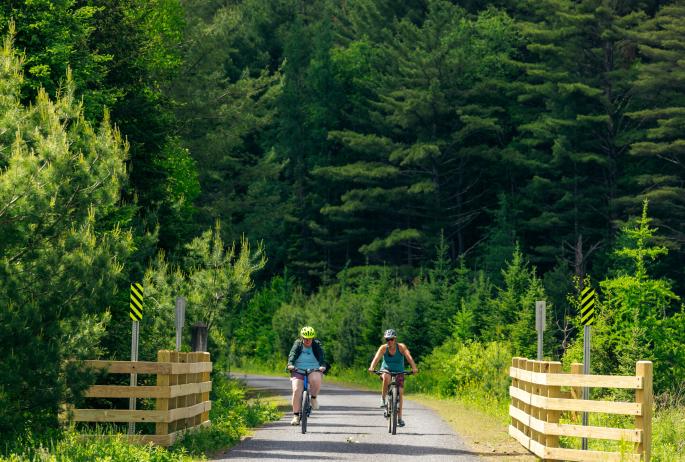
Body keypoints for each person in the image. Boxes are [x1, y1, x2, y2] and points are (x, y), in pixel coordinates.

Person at [367, 328, 418, 427]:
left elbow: (409, 357)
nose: (389, 341)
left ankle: (399, 418)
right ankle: (383, 399)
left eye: (391, 339)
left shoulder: (401, 347)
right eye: (387, 339)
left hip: (399, 371)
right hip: (386, 370)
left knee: (401, 392)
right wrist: (372, 367)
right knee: (387, 376)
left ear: (395, 339)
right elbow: (376, 358)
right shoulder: (383, 348)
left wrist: (414, 368)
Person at [287, 325, 327, 425]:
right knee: (296, 390)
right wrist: (290, 364)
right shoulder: (298, 344)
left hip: (314, 369)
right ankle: (296, 416)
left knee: (316, 379)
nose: (308, 341)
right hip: (298, 369)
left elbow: (322, 355)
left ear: (313, 338)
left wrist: (322, 365)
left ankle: (313, 398)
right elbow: (292, 354)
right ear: (302, 337)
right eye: (305, 338)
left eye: (310, 339)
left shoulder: (316, 344)